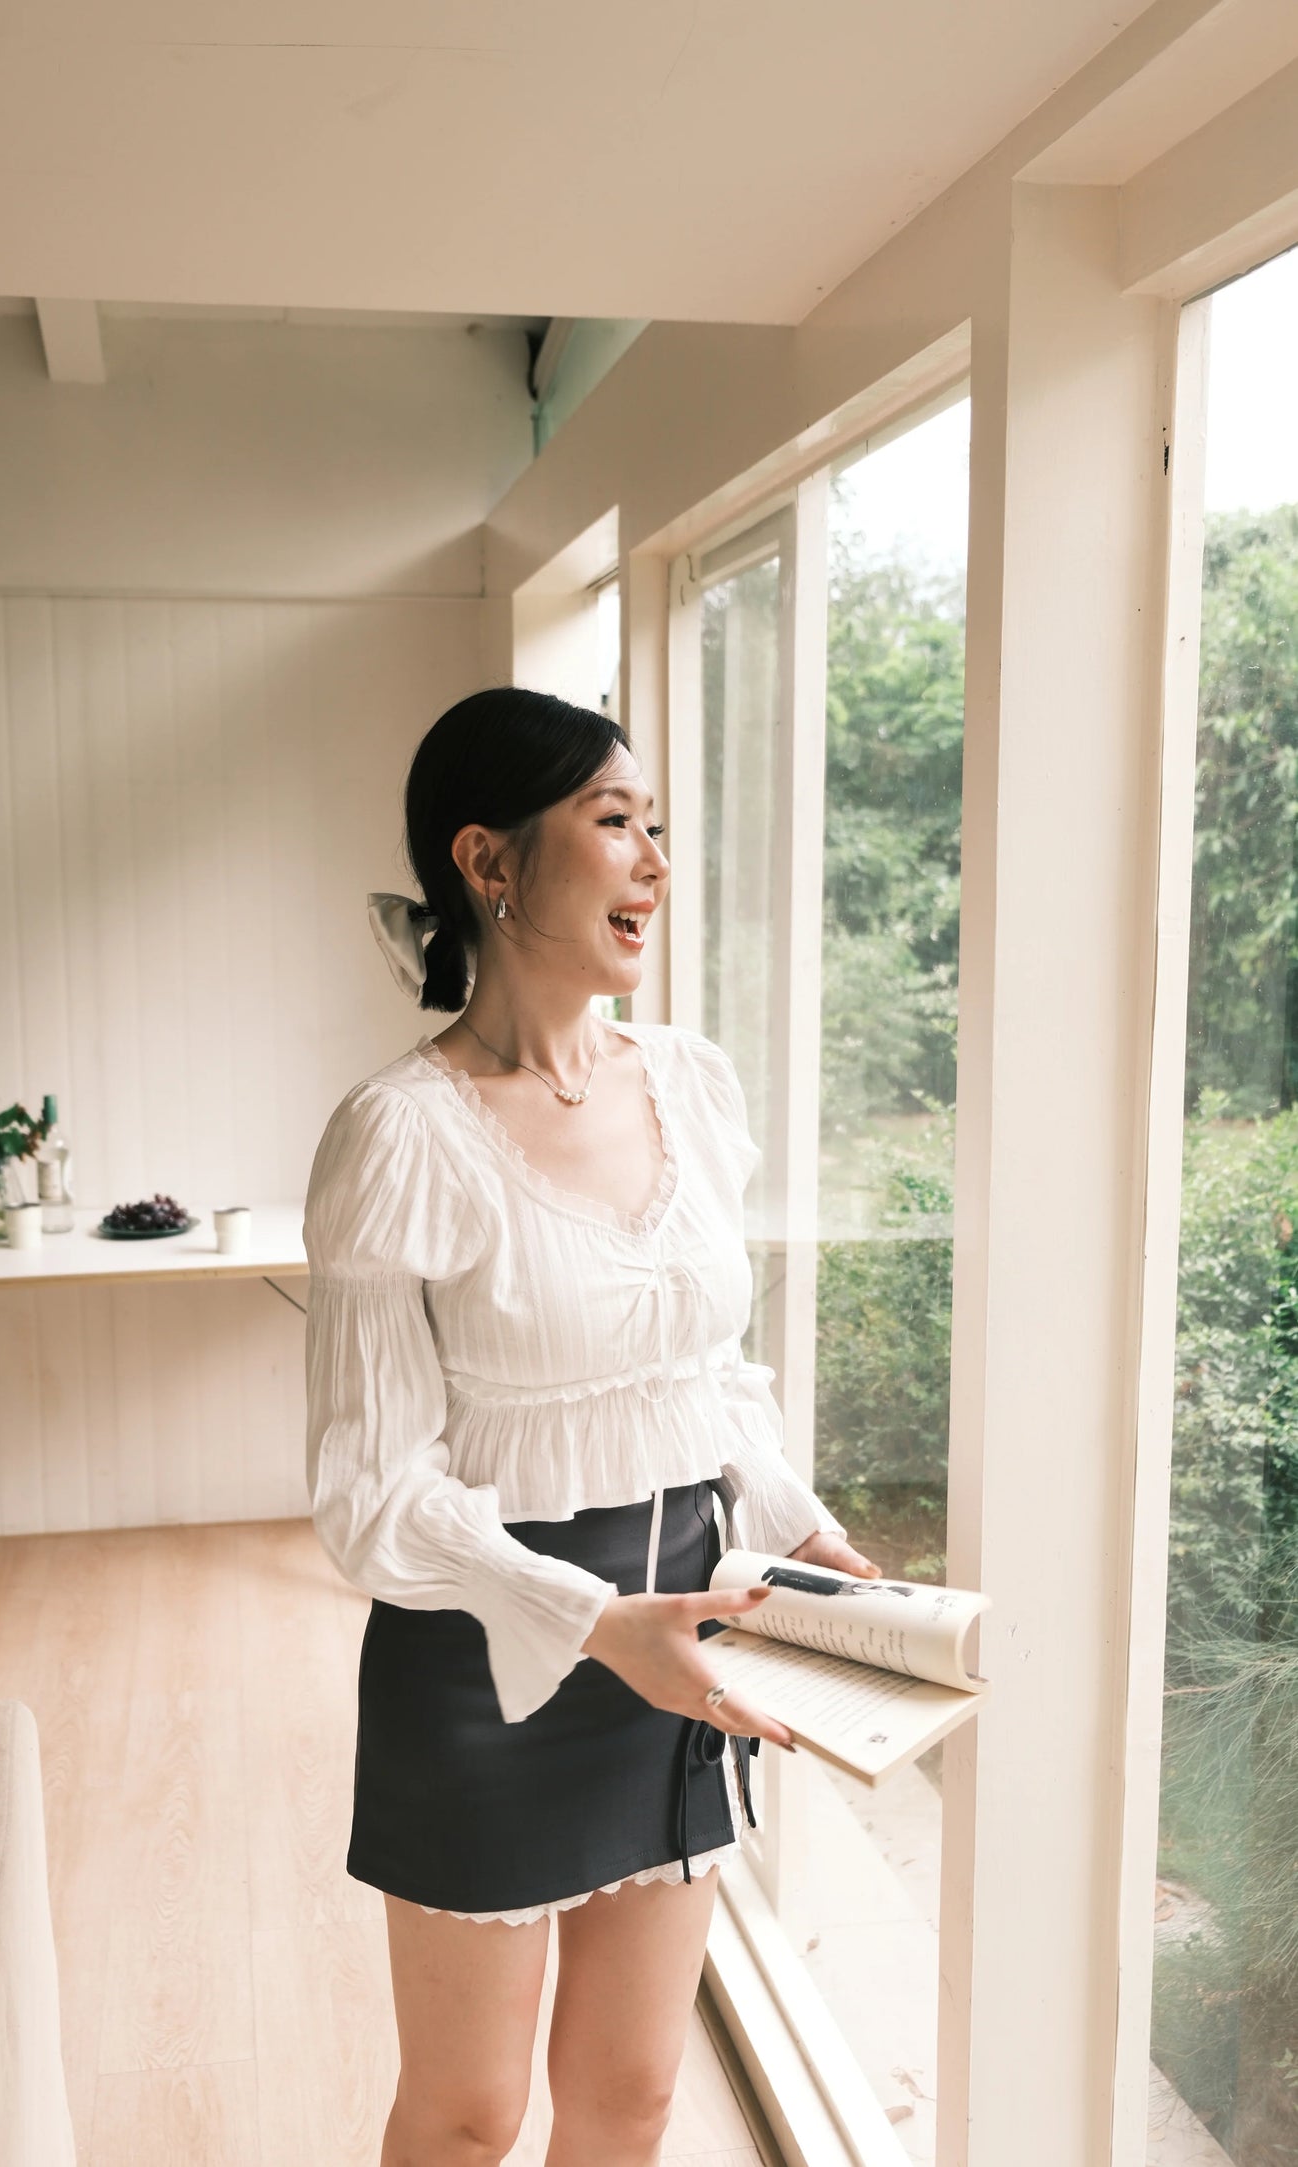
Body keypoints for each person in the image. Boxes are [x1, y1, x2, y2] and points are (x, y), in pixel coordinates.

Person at [303, 686, 880, 2167]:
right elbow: (369, 1496)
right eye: (613, 824)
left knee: (627, 2095)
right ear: (488, 862)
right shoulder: (400, 1134)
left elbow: (709, 1376)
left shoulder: (687, 1083)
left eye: (657, 829)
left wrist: (801, 1530)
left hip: (679, 1641)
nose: (653, 864)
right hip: (482, 1661)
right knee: (466, 2113)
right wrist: (591, 1618)